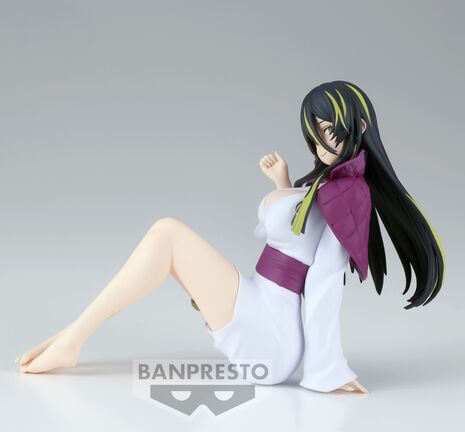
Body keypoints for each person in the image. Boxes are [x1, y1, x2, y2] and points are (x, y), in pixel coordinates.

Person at [16, 81, 445, 395]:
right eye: (315, 134)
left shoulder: (348, 194)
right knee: (165, 239)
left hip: (273, 332)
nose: (321, 143)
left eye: (329, 131)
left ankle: (72, 338)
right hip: (262, 300)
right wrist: (283, 184)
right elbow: (296, 232)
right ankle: (71, 335)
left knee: (167, 233)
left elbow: (324, 283)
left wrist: (328, 370)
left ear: (359, 125)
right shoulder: (324, 184)